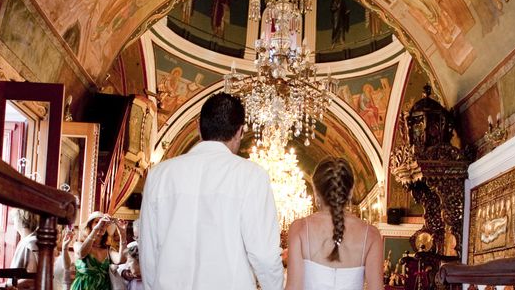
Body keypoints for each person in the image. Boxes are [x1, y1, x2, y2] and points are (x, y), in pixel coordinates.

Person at [140, 93, 284, 290]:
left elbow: (148, 254)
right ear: (240, 132)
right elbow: (264, 256)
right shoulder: (252, 176)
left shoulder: (159, 175)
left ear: (199, 128)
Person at [285, 158, 383, 290]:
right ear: (351, 191)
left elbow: (293, 288)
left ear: (315, 192)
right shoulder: (371, 235)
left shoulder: (299, 228)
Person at [71, 212, 127, 290]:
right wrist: (95, 229)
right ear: (90, 226)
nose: (101, 225)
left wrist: (123, 235)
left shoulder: (108, 250)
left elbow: (122, 260)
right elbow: (81, 253)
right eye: (96, 222)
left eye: (104, 223)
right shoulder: (78, 244)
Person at [10, 209, 39, 289]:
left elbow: (30, 279)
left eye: (15, 217)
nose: (13, 220)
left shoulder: (31, 243)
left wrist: (6, 286)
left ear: (21, 219)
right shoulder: (27, 241)